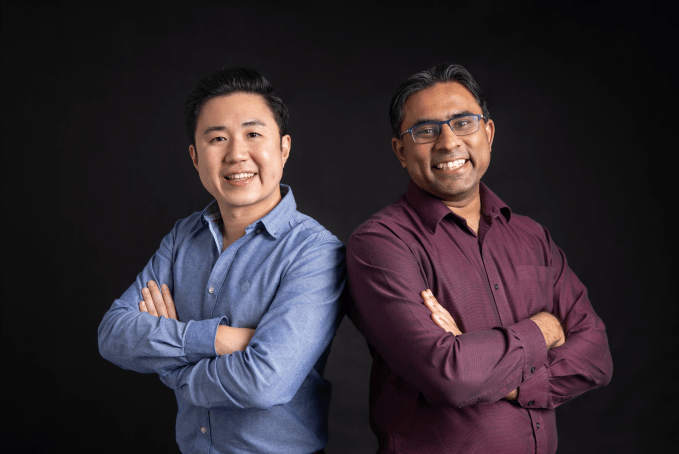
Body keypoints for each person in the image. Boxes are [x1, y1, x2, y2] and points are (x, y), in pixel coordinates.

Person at [346, 63, 613, 453]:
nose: (449, 142)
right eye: (426, 130)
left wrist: (507, 380)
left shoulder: (532, 236)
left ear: (487, 132)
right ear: (400, 151)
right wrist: (544, 329)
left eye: (463, 122)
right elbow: (450, 375)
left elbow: (596, 356)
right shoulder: (381, 245)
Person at [98, 68, 345, 454]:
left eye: (253, 134)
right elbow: (113, 334)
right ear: (196, 157)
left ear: (283, 148)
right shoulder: (183, 238)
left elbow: (264, 382)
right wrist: (220, 339)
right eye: (217, 139)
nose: (235, 154)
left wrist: (170, 364)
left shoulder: (315, 251)